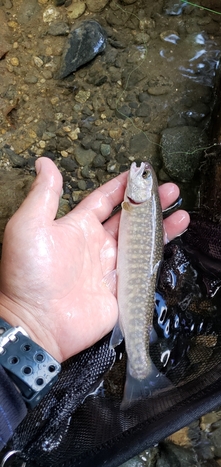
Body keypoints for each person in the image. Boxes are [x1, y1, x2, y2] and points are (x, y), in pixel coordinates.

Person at [0, 156, 190, 449]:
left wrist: (27, 321)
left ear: (143, 196)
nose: (139, 171)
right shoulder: (135, 206)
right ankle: (141, 373)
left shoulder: (135, 206)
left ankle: (141, 370)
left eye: (145, 178)